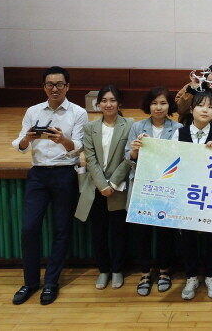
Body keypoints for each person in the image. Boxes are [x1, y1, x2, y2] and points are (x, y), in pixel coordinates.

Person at [12, 66, 88, 305]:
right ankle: (30, 282)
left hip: (65, 173)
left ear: (67, 86)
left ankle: (51, 282)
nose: (55, 89)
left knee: (61, 230)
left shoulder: (78, 112)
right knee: (29, 229)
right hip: (38, 174)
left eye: (59, 84)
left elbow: (79, 146)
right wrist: (27, 138)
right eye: (50, 84)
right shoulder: (33, 111)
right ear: (44, 87)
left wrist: (63, 140)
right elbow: (20, 144)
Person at [75, 85, 134, 290]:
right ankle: (103, 270)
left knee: (119, 231)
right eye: (104, 100)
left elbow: (129, 157)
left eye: (113, 100)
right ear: (98, 103)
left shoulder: (130, 125)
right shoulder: (89, 127)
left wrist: (113, 183)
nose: (108, 104)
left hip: (119, 186)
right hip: (96, 187)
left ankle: (117, 269)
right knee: (98, 231)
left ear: (120, 103)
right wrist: (102, 185)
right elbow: (90, 159)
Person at [126, 87, 182, 297]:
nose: (159, 107)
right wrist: (134, 151)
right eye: (154, 103)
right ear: (148, 105)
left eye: (163, 103)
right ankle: (145, 272)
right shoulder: (137, 127)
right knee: (142, 233)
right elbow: (128, 158)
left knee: (165, 231)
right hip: (143, 186)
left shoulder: (178, 128)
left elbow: (181, 158)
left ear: (169, 106)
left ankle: (165, 270)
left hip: (167, 186)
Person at [174, 92, 212, 300]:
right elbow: (171, 159)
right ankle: (191, 277)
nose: (205, 110)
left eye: (210, 106)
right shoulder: (179, 133)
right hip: (187, 194)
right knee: (187, 237)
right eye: (201, 105)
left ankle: (211, 276)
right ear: (191, 109)